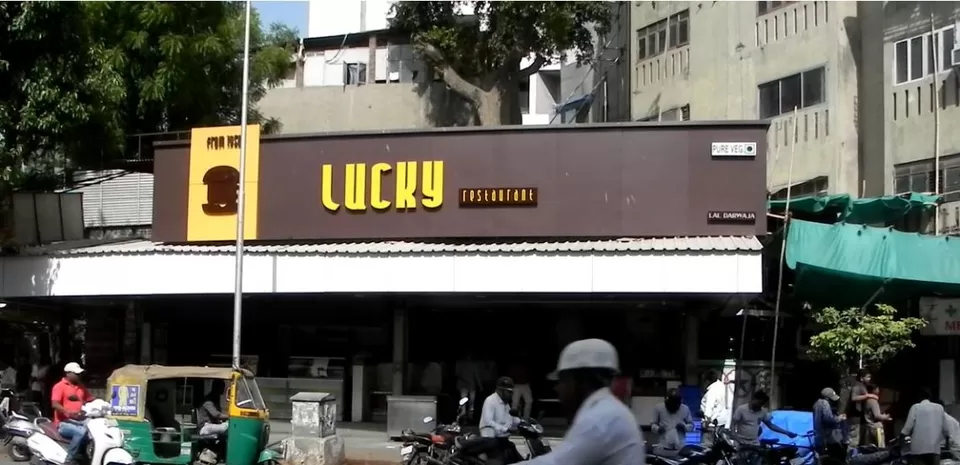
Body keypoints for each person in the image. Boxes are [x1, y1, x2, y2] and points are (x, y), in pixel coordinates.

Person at [513, 338, 645, 465]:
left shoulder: (600, 419)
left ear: (580, 380)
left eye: (562, 380)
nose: (557, 388)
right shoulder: (606, 410)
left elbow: (558, 463)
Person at [51, 362, 94, 465]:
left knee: (95, 428)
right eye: (76, 373)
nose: (79, 375)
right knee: (81, 432)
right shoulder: (59, 386)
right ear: (68, 373)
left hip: (80, 419)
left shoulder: (81, 387)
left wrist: (103, 404)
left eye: (79, 374)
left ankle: (85, 455)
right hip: (63, 422)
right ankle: (69, 459)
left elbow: (90, 399)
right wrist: (68, 412)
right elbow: (54, 404)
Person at [479, 376, 522, 465]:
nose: (510, 394)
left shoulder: (505, 403)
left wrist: (522, 423)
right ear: (500, 390)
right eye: (508, 392)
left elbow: (511, 418)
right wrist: (506, 429)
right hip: (490, 439)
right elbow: (488, 421)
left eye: (511, 392)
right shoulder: (490, 401)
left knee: (516, 457)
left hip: (501, 438)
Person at [901, 388, 949, 465]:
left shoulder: (915, 407)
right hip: (934, 449)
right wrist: (947, 444)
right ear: (930, 397)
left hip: (918, 450)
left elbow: (907, 428)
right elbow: (946, 430)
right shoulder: (940, 408)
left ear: (919, 397)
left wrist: (901, 439)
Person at [731, 391, 797, 445]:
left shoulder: (762, 412)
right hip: (741, 441)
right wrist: (734, 434)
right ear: (754, 399)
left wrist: (787, 433)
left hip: (754, 442)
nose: (760, 405)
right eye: (759, 403)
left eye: (762, 404)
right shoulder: (741, 409)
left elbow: (771, 426)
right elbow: (733, 424)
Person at [651, 388, 694, 455]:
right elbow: (653, 424)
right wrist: (658, 429)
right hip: (664, 446)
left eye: (676, 404)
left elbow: (691, 425)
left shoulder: (685, 409)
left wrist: (684, 427)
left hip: (680, 446)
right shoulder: (659, 408)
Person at [843, 368, 876, 449]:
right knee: (853, 442)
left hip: (857, 418)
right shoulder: (857, 386)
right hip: (854, 418)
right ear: (862, 378)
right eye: (868, 377)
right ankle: (850, 459)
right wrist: (868, 395)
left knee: (856, 441)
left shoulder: (862, 385)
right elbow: (854, 398)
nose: (869, 379)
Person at [812, 387, 846, 462]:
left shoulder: (817, 403)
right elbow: (828, 419)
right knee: (835, 455)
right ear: (827, 397)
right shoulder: (825, 403)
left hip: (819, 433)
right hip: (826, 435)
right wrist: (839, 418)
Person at [700, 369, 730, 447]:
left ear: (707, 380)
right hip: (721, 422)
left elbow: (709, 407)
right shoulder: (721, 386)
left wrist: (706, 422)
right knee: (717, 447)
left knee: (707, 447)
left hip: (711, 424)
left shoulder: (712, 391)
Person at [456, 353, 483, 421]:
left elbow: (476, 376)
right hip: (463, 386)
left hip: (471, 386)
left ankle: (470, 417)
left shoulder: (474, 365)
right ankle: (463, 415)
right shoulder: (460, 364)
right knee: (463, 402)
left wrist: (480, 386)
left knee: (471, 402)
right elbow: (457, 374)